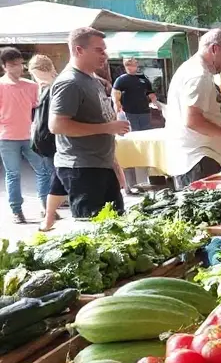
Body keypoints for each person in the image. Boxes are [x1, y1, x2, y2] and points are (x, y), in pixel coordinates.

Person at [48, 28, 130, 217]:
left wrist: (115, 165)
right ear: (79, 50)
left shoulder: (91, 79)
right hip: (82, 169)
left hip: (101, 165)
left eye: (104, 50)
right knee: (92, 227)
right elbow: (57, 125)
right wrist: (107, 127)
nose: (105, 55)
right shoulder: (70, 82)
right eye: (99, 50)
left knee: (116, 223)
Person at [165, 28, 221, 189]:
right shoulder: (199, 75)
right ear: (214, 49)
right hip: (198, 159)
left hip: (198, 157)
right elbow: (193, 120)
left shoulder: (194, 70)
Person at [0, 46, 50, 224]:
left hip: (29, 136)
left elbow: (38, 109)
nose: (17, 68)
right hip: (6, 137)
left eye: (20, 64)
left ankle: (46, 206)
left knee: (43, 170)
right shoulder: (1, 86)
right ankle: (17, 210)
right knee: (13, 174)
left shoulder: (31, 86)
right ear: (4, 66)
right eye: (13, 65)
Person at [28, 55, 66, 231]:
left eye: (35, 73)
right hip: (47, 140)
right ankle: (49, 212)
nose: (34, 77)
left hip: (50, 140)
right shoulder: (48, 87)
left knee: (54, 174)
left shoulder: (54, 87)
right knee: (53, 174)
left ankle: (49, 212)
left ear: (41, 70)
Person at [112, 57, 158, 191]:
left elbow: (150, 93)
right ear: (125, 66)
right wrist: (117, 107)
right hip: (130, 113)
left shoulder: (143, 79)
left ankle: (148, 171)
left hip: (145, 112)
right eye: (128, 65)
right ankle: (135, 177)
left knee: (147, 139)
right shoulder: (122, 80)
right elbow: (115, 95)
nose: (131, 67)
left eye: (133, 65)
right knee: (133, 140)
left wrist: (156, 103)